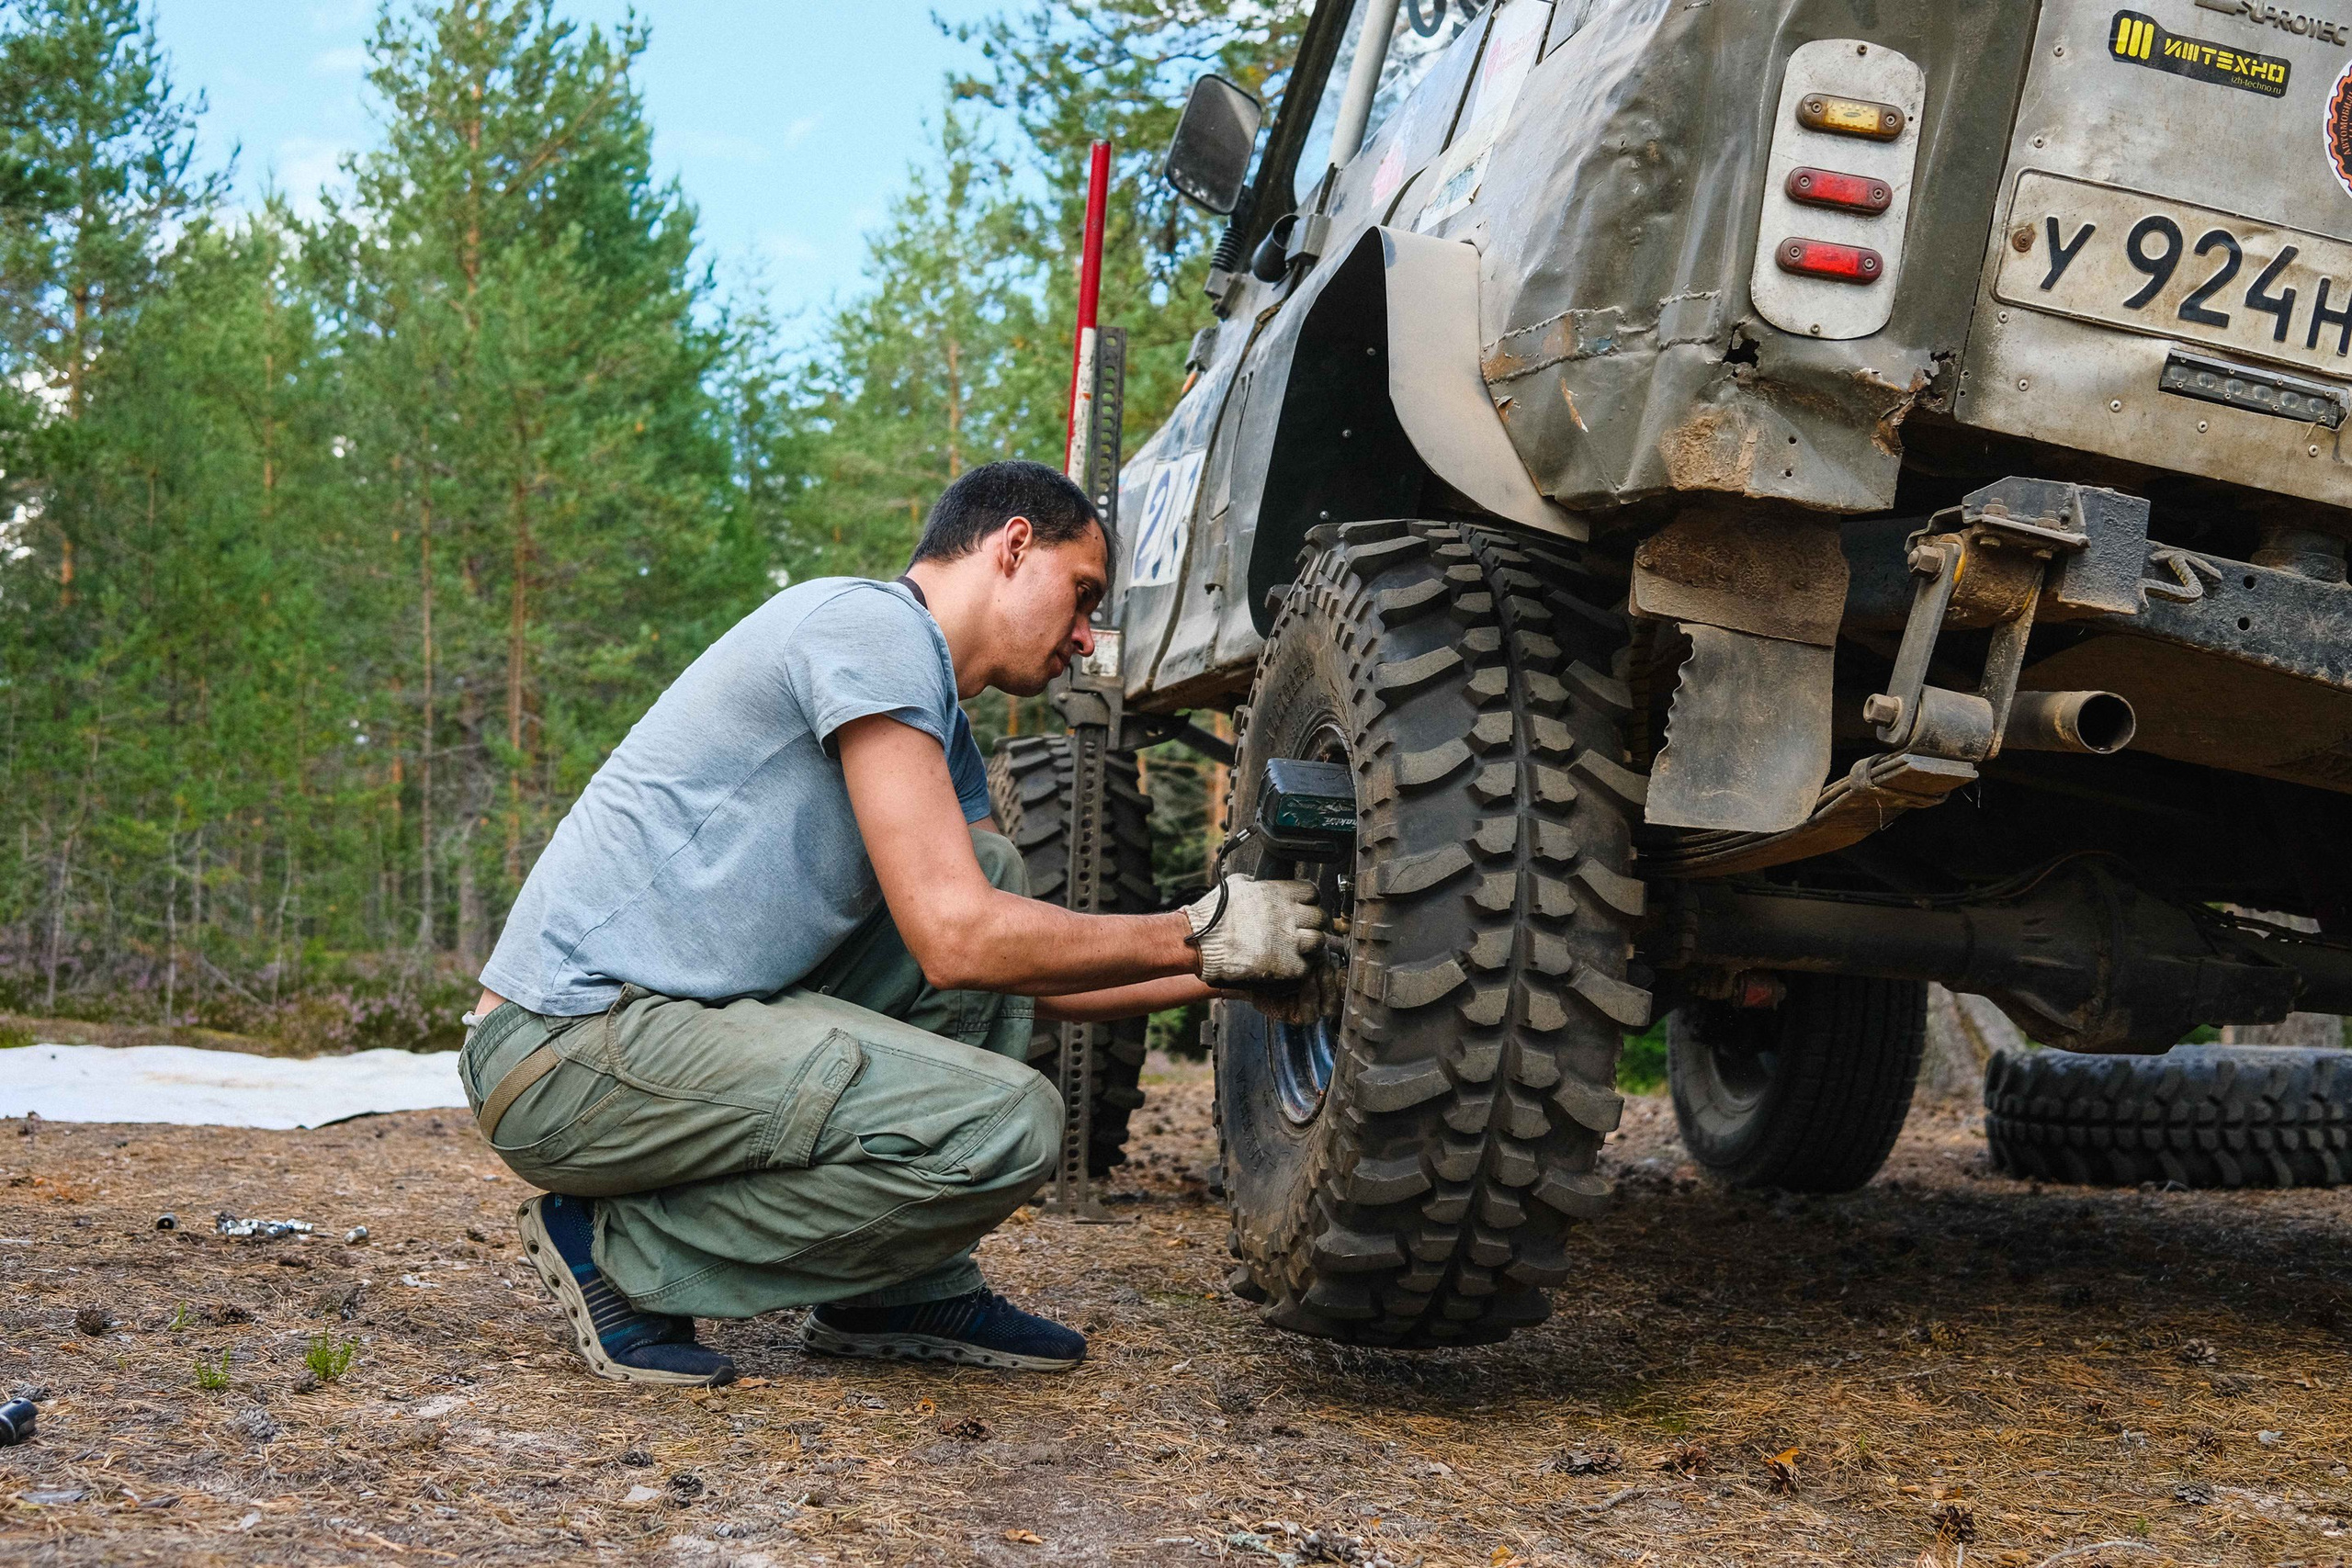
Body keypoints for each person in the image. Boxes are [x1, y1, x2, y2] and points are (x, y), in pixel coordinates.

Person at [460, 459, 1326, 1386]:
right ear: (1013, 545)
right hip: (564, 1051)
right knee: (1007, 1124)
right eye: (1081, 594)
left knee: (992, 870)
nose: (1086, 636)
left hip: (661, 1034)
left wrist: (1228, 967)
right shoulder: (870, 628)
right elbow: (961, 939)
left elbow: (1014, 972)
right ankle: (615, 1249)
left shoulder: (932, 714)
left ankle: (894, 1288)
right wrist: (1202, 926)